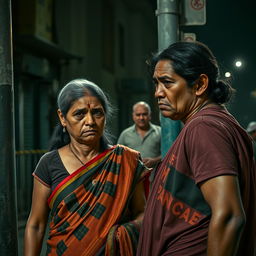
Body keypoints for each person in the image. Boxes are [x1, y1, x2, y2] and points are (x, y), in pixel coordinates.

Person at [137, 41, 256, 256]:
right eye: (156, 84)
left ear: (200, 84)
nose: (157, 93)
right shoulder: (210, 124)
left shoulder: (205, 127)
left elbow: (229, 215)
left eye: (167, 83)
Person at [24, 79, 147, 256]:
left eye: (97, 113)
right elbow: (36, 225)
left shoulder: (125, 161)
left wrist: (120, 235)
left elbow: (142, 212)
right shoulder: (49, 164)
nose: (90, 121)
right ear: (62, 118)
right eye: (80, 114)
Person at [117, 101, 161, 168]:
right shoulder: (125, 134)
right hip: (133, 177)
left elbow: (169, 153)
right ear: (133, 116)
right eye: (138, 115)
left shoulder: (160, 132)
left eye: (145, 114)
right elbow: (118, 156)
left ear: (150, 115)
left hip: (156, 176)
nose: (141, 118)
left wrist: (154, 161)